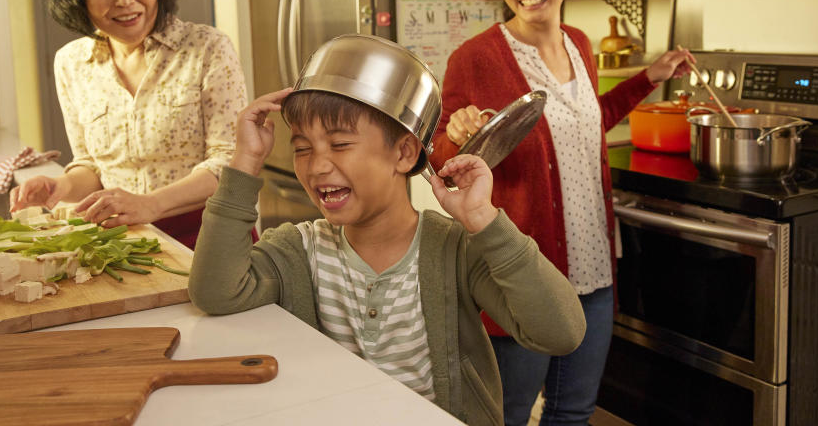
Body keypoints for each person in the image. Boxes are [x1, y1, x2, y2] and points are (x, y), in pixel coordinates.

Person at [188, 43, 587, 426]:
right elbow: (216, 292)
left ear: (405, 153)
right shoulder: (299, 248)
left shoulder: (455, 249)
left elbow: (561, 332)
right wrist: (244, 162)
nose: (317, 166)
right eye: (303, 148)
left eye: (340, 143)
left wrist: (485, 219)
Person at [429, 0, 695, 426]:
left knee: (574, 411)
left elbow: (591, 121)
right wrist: (456, 133)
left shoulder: (580, 43)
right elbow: (441, 158)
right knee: (504, 414)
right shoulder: (476, 58)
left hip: (594, 268)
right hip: (525, 276)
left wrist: (651, 77)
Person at [9, 0, 247, 249]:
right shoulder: (72, 63)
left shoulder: (207, 48)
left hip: (211, 236)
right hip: (126, 238)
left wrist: (151, 204)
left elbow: (231, 163)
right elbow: (93, 167)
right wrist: (60, 187)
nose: (125, 0)